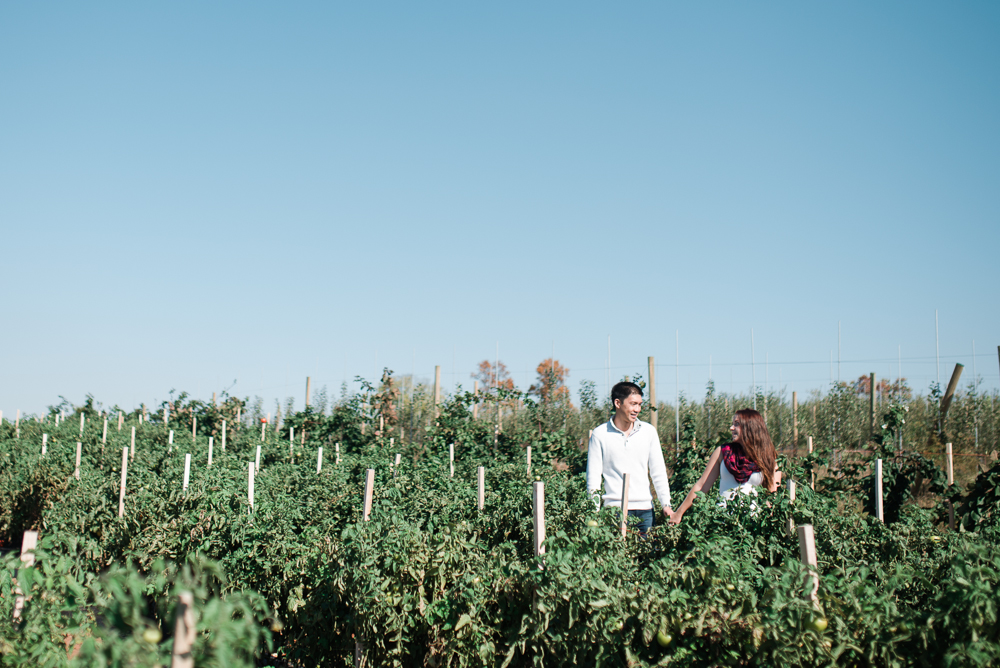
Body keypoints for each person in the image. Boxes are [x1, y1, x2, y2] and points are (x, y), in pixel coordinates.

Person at [587, 381, 672, 535]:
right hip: (614, 511)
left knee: (645, 558)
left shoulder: (648, 432)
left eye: (639, 404)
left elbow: (658, 471)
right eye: (633, 404)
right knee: (615, 558)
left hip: (645, 511)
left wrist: (665, 504)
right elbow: (593, 478)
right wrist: (594, 511)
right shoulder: (600, 434)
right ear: (617, 403)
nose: (637, 409)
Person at [669, 408, 781, 524]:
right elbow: (701, 486)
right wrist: (679, 513)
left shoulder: (769, 458)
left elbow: (772, 497)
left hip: (752, 525)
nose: (731, 428)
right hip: (723, 521)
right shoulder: (724, 452)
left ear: (750, 427)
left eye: (736, 424)